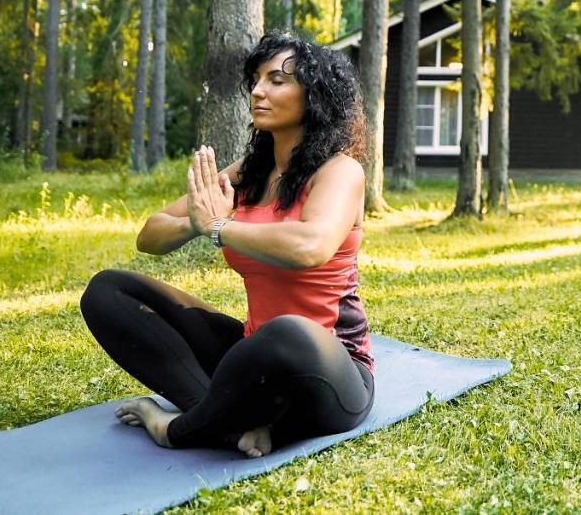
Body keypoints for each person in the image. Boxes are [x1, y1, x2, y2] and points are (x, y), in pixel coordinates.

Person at [80, 31, 374, 459]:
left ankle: (174, 429)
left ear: (315, 96)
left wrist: (219, 225)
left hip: (326, 368)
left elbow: (311, 245)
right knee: (108, 290)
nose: (258, 90)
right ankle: (229, 422)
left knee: (286, 332)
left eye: (277, 80)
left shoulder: (340, 171)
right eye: (255, 79)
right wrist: (197, 224)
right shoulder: (249, 174)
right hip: (253, 361)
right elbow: (151, 233)